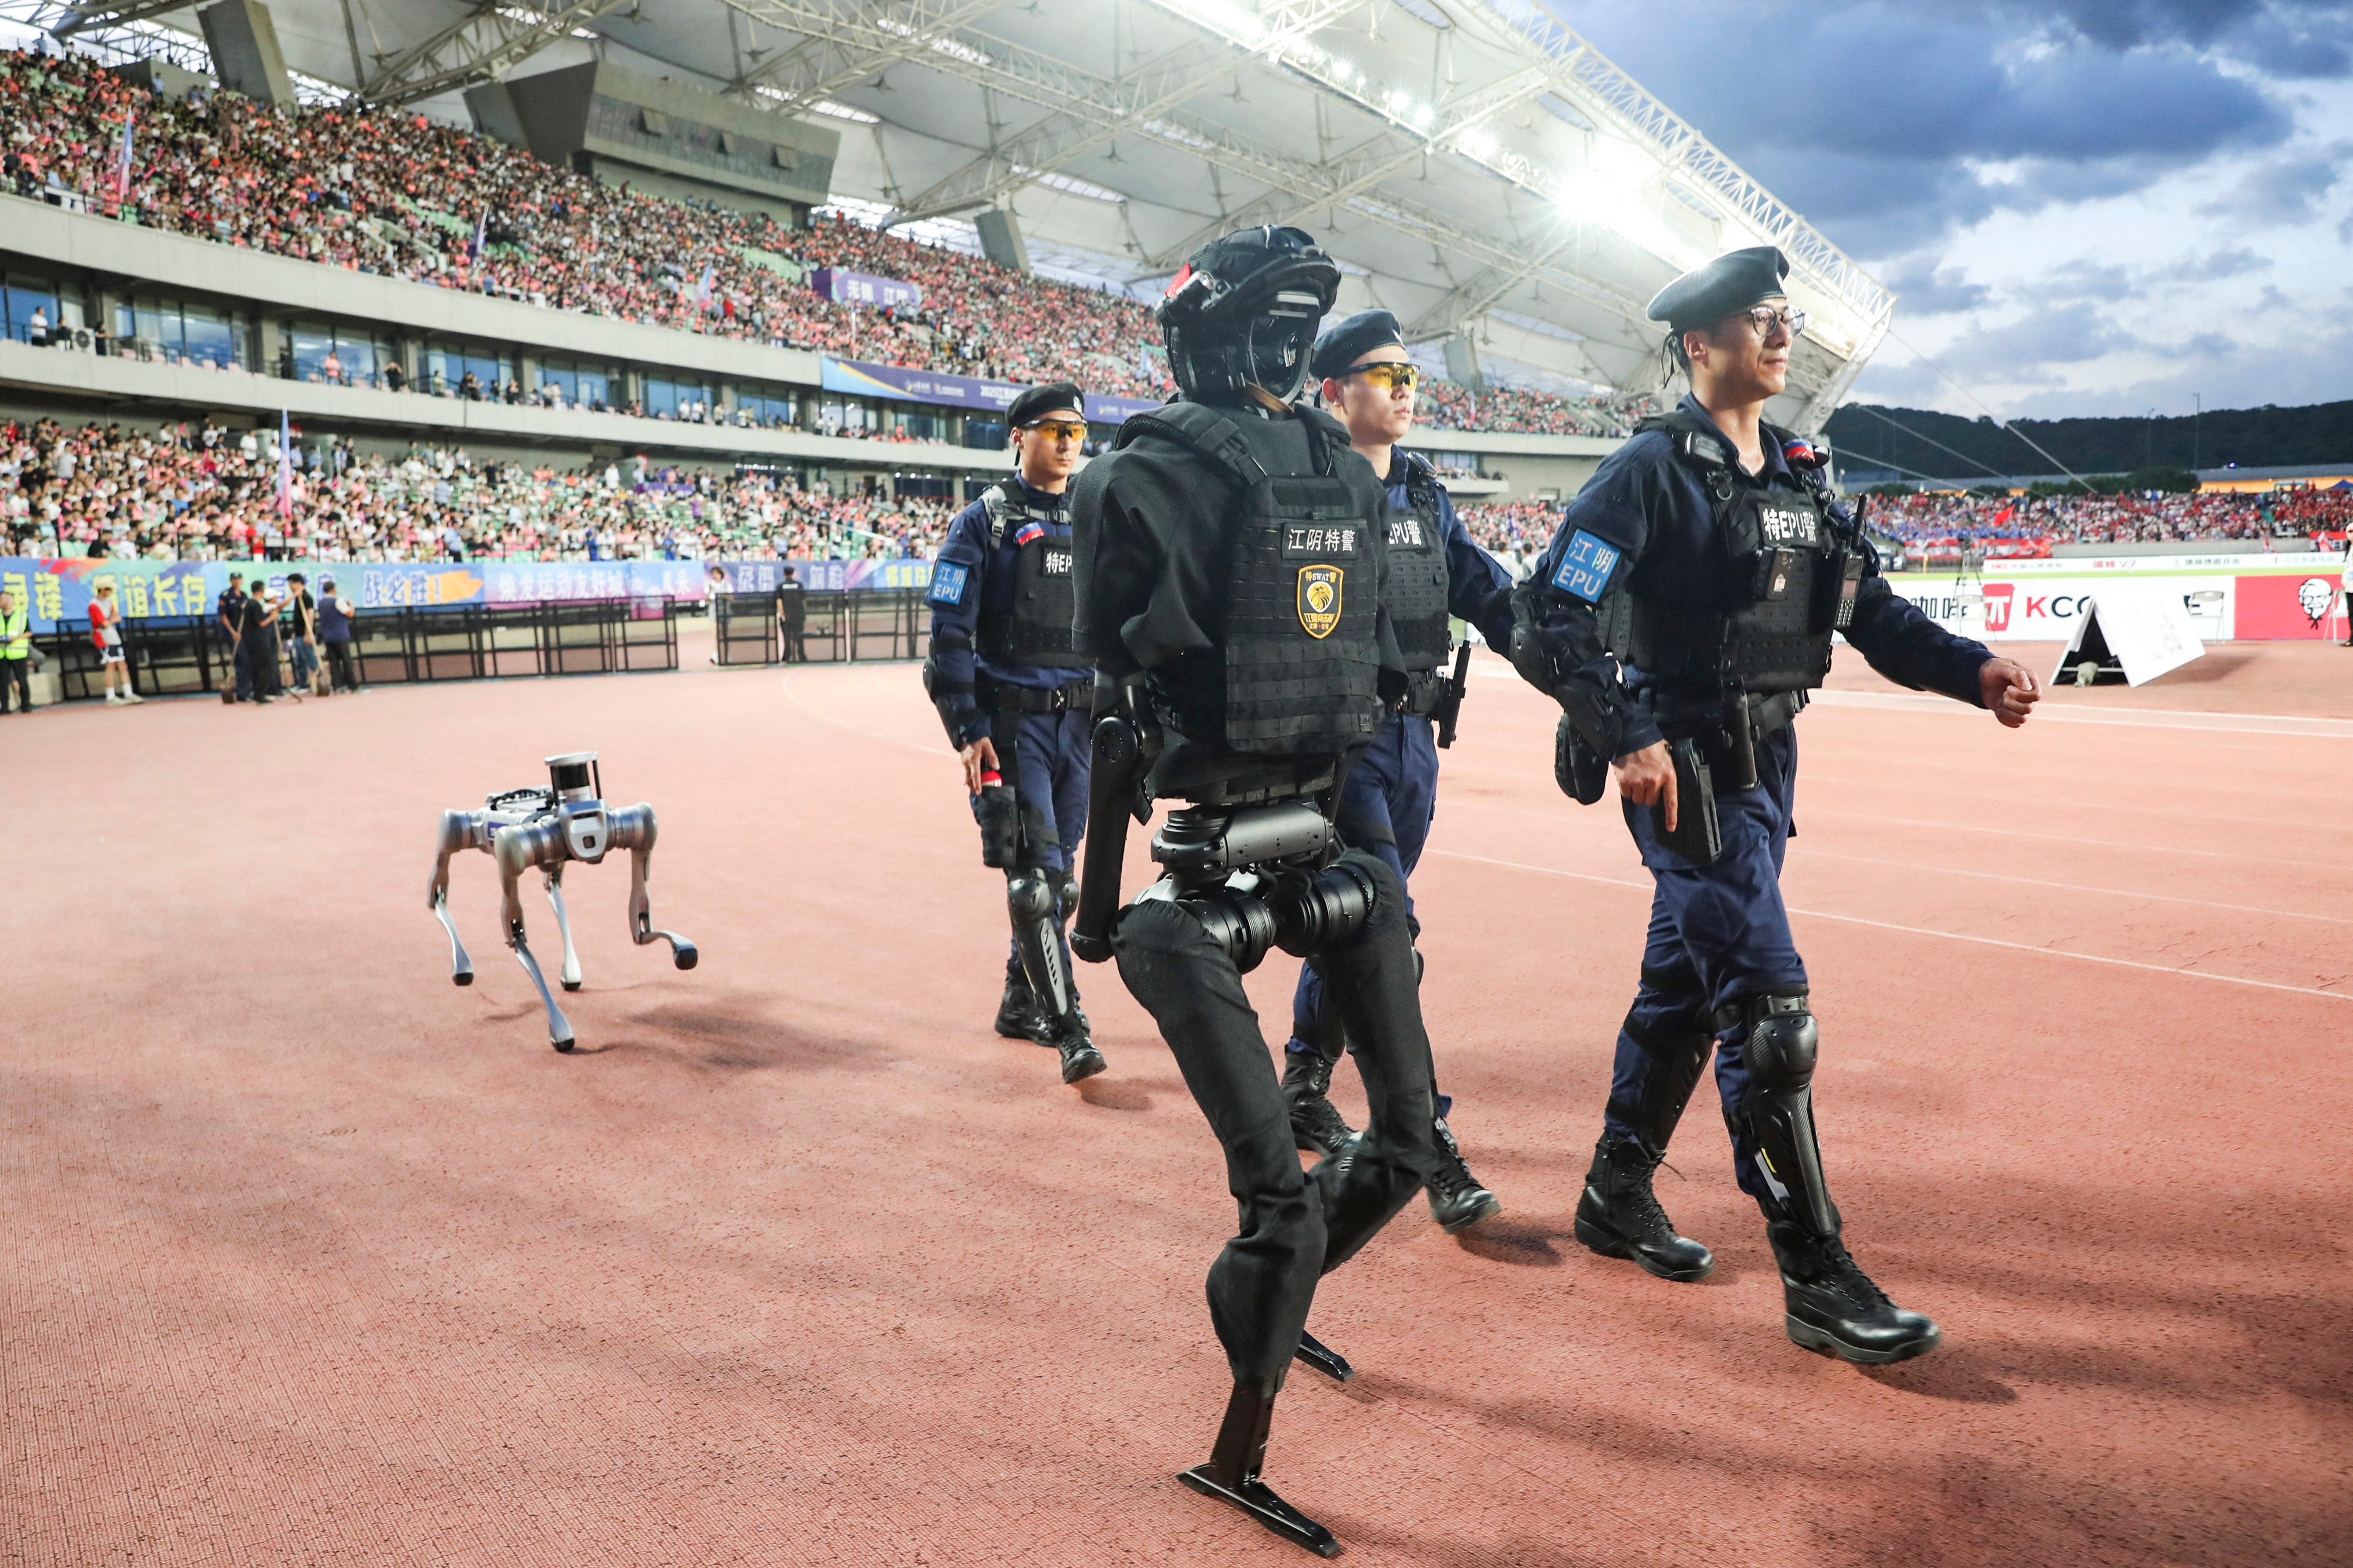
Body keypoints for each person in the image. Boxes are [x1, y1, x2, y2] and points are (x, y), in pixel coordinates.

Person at [1508, 246, 2042, 1365]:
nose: (1783, 334)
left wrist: (1973, 669)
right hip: (1686, 772)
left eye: (1786, 318)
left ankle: (1614, 1190)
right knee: (1768, 1011)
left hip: (1767, 763)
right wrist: (1628, 733)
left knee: (1679, 993)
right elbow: (1552, 614)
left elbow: (1870, 612)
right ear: (1700, 344)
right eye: (1761, 319)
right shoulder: (1647, 472)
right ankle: (1816, 1273)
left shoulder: (1801, 472)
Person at [1068, 225, 1443, 1555]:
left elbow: (1115, 698)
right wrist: (1106, 914)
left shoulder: (1154, 476)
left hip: (1314, 846)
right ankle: (1241, 1436)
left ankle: (1276, 1292)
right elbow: (1125, 719)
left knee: (1406, 1140)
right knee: (1288, 1189)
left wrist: (1092, 909)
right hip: (1216, 880)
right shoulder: (1293, 472)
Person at [1279, 309, 1517, 1235]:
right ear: (1333, 391)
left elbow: (1483, 589)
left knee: (1359, 930)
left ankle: (1304, 1078)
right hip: (1336, 749)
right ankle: (1424, 1137)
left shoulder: (1422, 489)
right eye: (1384, 374)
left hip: (1415, 742)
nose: (1406, 387)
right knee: (1388, 936)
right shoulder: (1297, 487)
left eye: (1411, 374)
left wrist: (1574, 666)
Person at [922, 381, 1105, 1085]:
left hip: (1079, 728)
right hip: (1012, 728)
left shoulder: (1094, 517)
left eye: (1077, 432)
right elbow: (948, 635)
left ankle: (1016, 999)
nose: (1066, 442)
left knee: (1059, 890)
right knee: (1034, 881)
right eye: (1052, 428)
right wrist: (968, 731)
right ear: (1018, 436)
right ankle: (1069, 1027)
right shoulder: (981, 524)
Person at [87, 581, 142, 705]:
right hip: (103, 637)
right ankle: (111, 697)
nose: (110, 592)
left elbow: (115, 616)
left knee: (122, 666)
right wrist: (112, 620)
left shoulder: (109, 602)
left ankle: (128, 694)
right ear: (102, 590)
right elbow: (104, 624)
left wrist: (111, 620)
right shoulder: (94, 605)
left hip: (113, 636)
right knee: (110, 666)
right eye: (108, 590)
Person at [240, 577, 284, 704]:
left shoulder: (249, 603)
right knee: (268, 666)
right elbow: (261, 623)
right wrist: (272, 617)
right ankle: (260, 693)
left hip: (252, 641)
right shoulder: (254, 604)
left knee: (258, 667)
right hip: (258, 641)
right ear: (262, 590)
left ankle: (259, 693)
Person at [316, 575, 359, 693]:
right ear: (334, 590)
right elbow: (350, 614)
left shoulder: (321, 603)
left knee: (333, 662)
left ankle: (337, 686)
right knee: (346, 661)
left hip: (328, 636)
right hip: (340, 635)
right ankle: (353, 685)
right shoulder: (338, 601)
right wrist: (351, 604)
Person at [283, 572, 321, 697]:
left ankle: (320, 680)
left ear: (298, 584)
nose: (290, 587)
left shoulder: (306, 597)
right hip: (298, 634)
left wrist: (308, 633)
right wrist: (295, 633)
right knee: (299, 660)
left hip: (305, 635)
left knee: (310, 658)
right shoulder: (297, 598)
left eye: (291, 584)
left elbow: (310, 616)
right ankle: (302, 684)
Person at [216, 571, 250, 703]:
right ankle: (242, 693)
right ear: (231, 581)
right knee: (240, 661)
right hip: (233, 634)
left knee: (247, 661)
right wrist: (232, 632)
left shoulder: (244, 596)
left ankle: (247, 690)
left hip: (244, 633)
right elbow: (223, 615)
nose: (237, 581)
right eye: (235, 579)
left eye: (239, 579)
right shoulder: (226, 595)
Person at [1, 586, 35, 713]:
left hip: (18, 652)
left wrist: (15, 638)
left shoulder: (21, 615)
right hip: (2, 653)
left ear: (12, 601)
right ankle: (5, 707)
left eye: (7, 599)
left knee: (22, 679)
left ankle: (26, 705)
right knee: (3, 682)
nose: (4, 602)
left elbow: (29, 632)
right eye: (2, 599)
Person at [776, 565, 807, 662]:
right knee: (799, 637)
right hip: (798, 615)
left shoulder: (781, 586)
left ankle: (787, 657)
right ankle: (802, 657)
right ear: (793, 573)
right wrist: (803, 613)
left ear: (784, 574)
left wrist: (782, 615)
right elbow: (804, 601)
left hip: (787, 616)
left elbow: (779, 602)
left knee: (787, 637)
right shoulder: (799, 585)